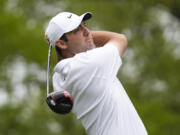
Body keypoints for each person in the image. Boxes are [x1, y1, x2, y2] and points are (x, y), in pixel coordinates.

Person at [45, 12, 148, 135]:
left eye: (85, 25)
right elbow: (120, 39)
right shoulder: (89, 64)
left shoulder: (59, 77)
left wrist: (56, 39)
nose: (87, 31)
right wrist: (87, 36)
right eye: (77, 29)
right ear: (61, 43)